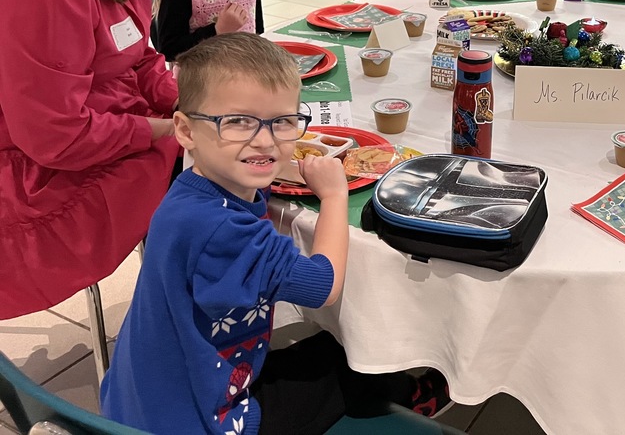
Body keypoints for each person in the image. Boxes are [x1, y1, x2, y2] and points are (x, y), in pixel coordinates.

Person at [101, 34, 449, 434]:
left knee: (323, 351)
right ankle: (411, 397)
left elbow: (254, 168)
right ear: (185, 130)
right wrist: (334, 195)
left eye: (282, 122)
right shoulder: (223, 231)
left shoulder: (192, 190)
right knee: (349, 359)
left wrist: (268, 161)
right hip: (206, 420)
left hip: (149, 397)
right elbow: (323, 285)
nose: (264, 141)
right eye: (237, 121)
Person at [0, 0, 179, 319]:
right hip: (44, 165)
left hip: (99, 129)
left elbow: (137, 56)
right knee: (223, 178)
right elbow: (54, 135)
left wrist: (192, 100)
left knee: (239, 137)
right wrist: (164, 129)